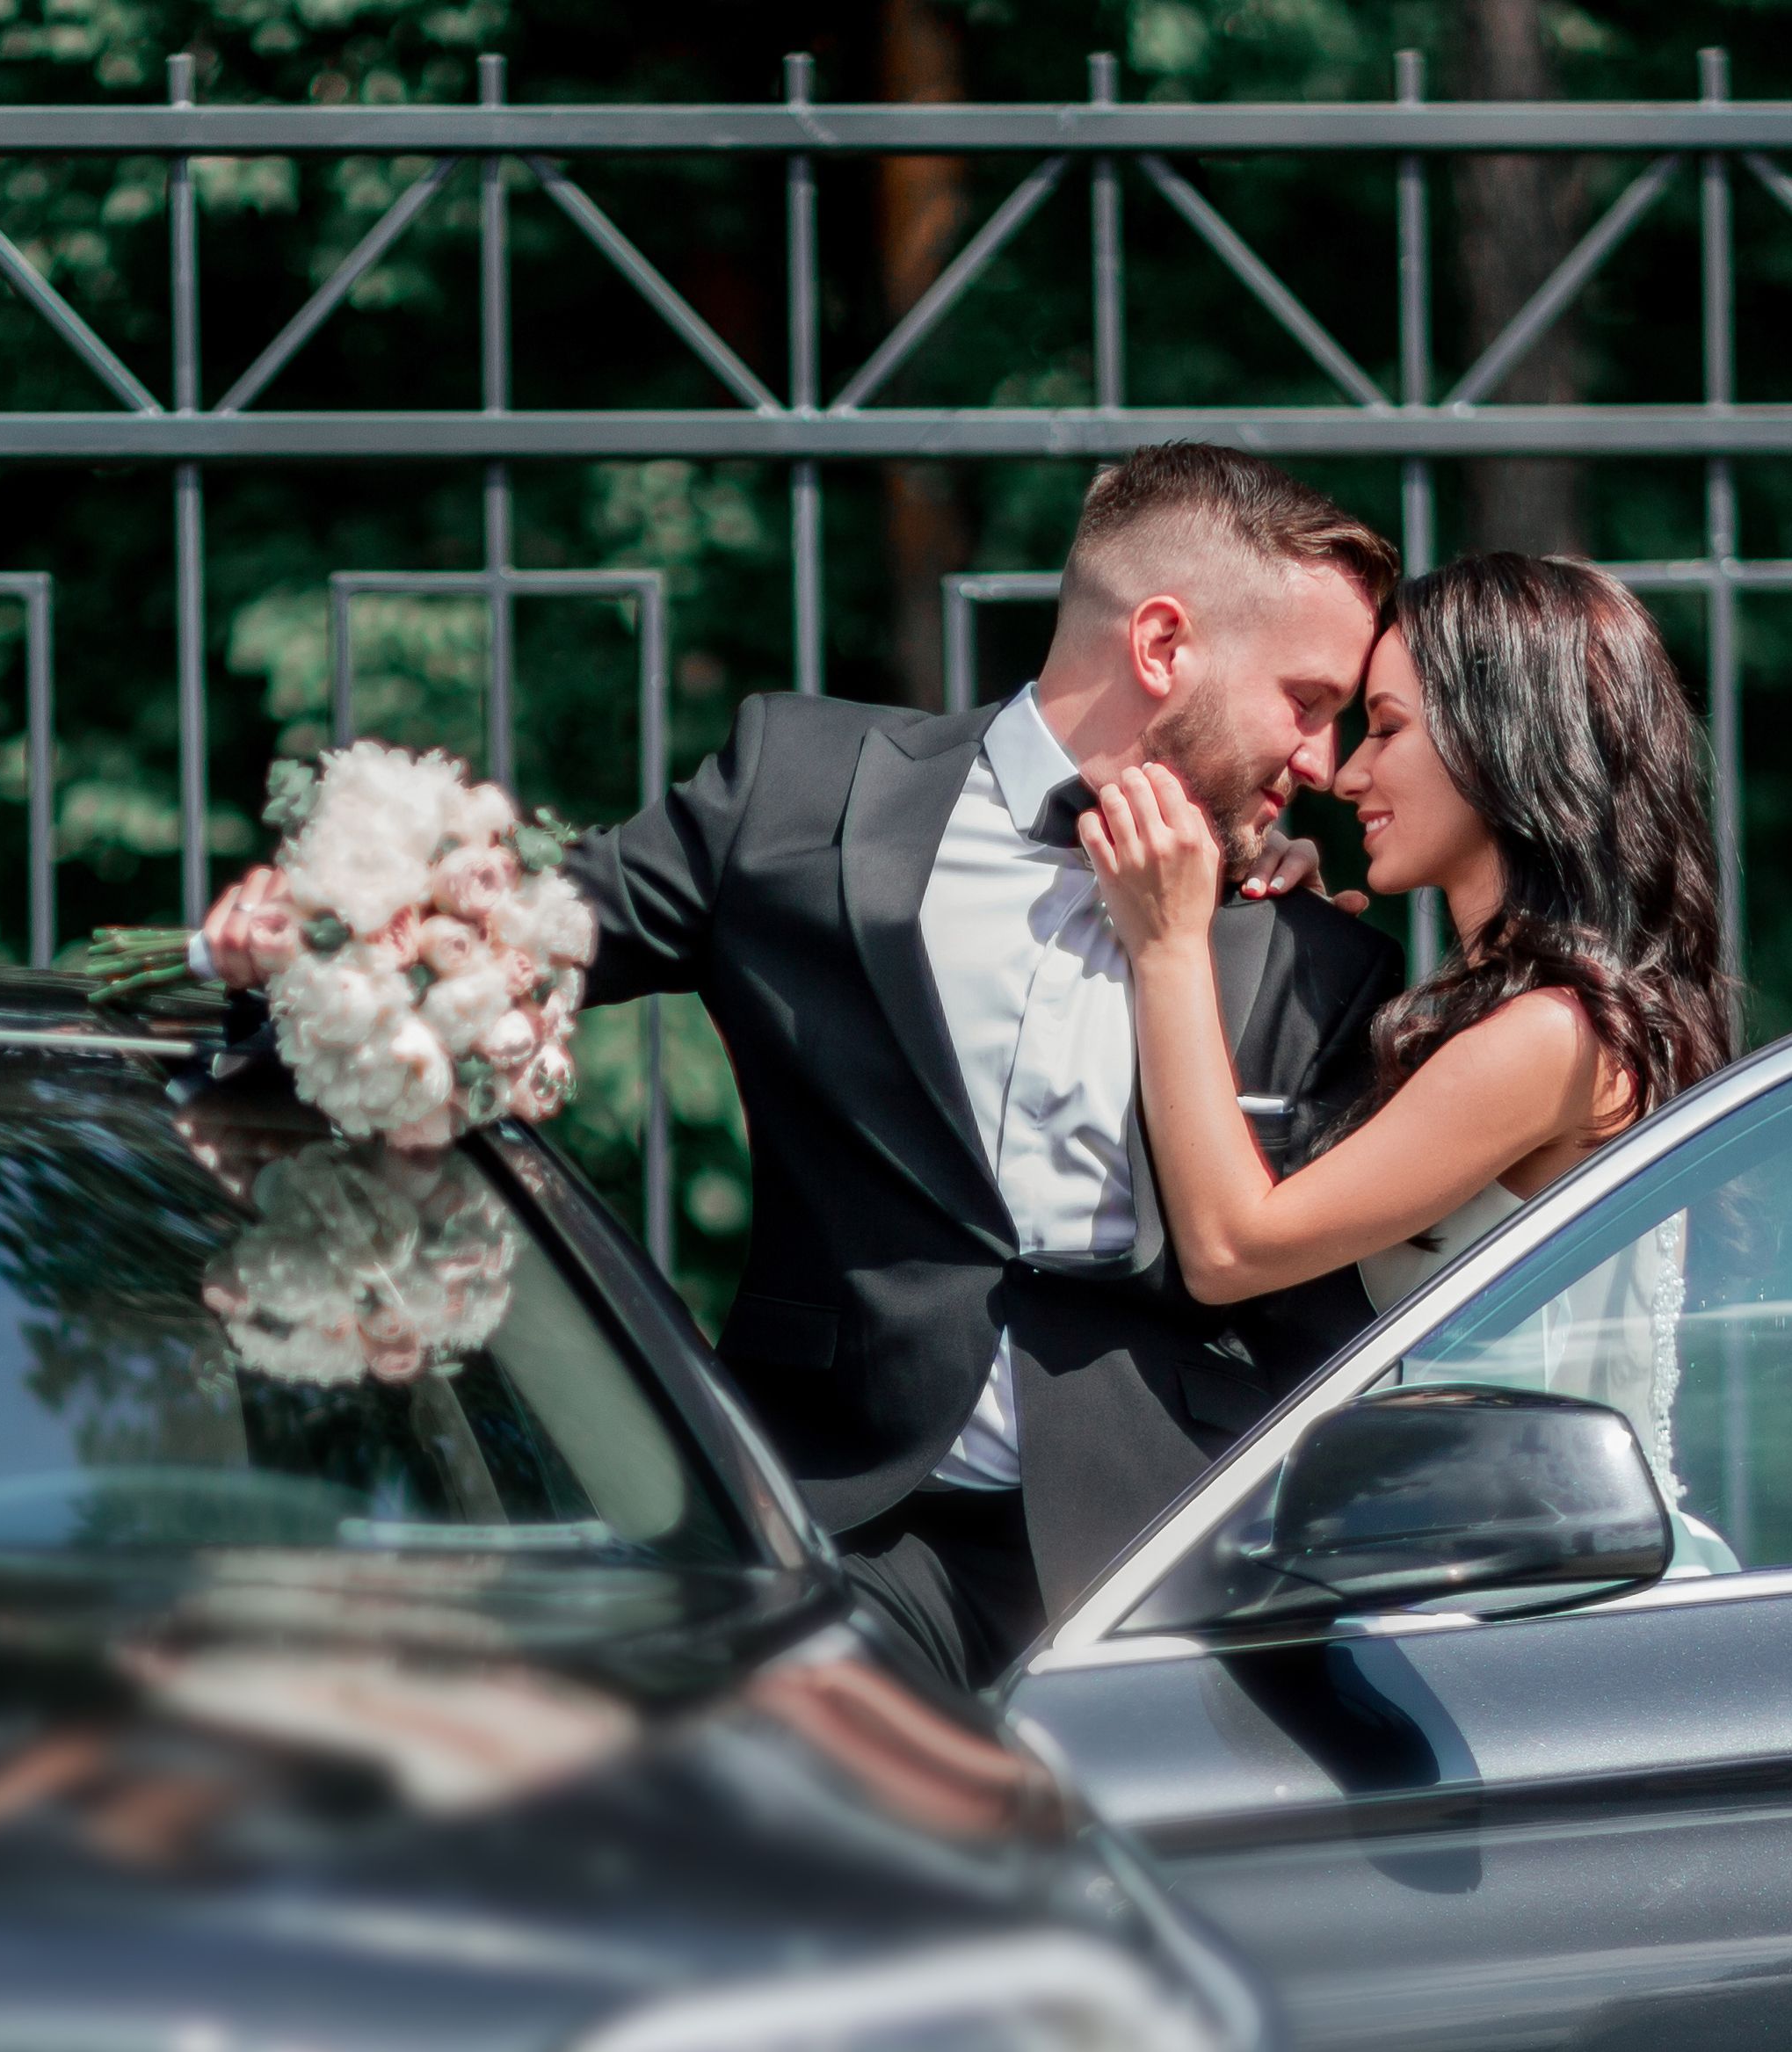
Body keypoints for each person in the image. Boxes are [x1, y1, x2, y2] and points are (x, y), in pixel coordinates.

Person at [199, 443, 1405, 1692]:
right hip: (832, 1522)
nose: (1322, 762)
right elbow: (505, 947)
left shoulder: (1304, 947)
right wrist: (289, 959)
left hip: (1159, 1565)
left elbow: (1319, 1335)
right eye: (1305, 702)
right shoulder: (797, 791)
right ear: (1160, 645)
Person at [1082, 551, 1736, 1549]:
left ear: (1503, 741)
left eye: (1386, 728)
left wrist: (1168, 945)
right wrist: (1286, 955)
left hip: (1547, 1595)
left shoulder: (1552, 1037)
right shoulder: (1543, 1022)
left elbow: (1230, 1250)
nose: (1346, 773)